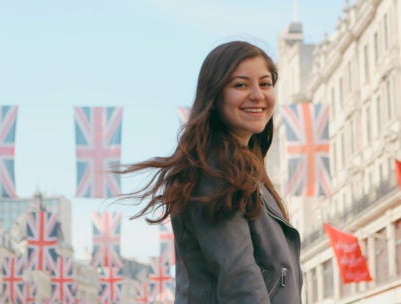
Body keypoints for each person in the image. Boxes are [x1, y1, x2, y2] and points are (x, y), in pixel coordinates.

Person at [118, 41, 303, 303]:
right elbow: (240, 280)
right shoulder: (215, 172)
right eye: (240, 85)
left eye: (265, 83)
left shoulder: (243, 170)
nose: (257, 95)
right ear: (214, 96)